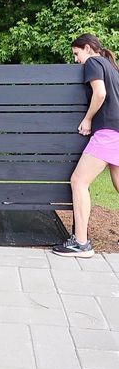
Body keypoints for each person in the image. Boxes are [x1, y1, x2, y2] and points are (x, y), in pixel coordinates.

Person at [53, 33, 119, 258]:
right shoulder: (111, 66)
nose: (76, 59)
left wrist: (88, 118)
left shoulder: (93, 62)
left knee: (79, 181)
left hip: (108, 131)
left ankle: (81, 243)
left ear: (88, 48)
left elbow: (99, 93)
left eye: (76, 53)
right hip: (117, 131)